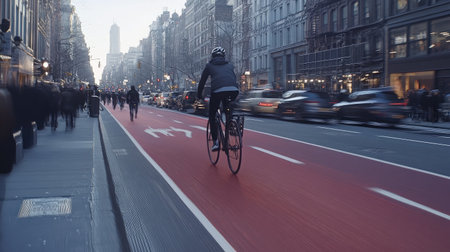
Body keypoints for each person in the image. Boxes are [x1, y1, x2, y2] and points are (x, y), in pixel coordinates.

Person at [197, 46, 239, 152]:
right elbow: (233, 78)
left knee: (212, 114)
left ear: (213, 56)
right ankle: (232, 123)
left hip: (217, 91)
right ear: (223, 56)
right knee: (227, 108)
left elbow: (202, 82)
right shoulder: (230, 65)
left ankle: (216, 142)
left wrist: (199, 95)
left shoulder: (209, 66)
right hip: (233, 90)